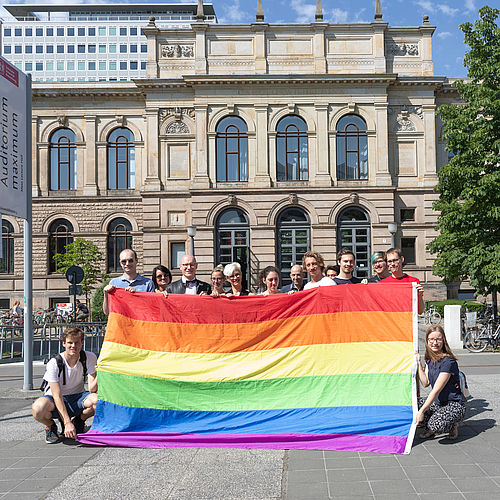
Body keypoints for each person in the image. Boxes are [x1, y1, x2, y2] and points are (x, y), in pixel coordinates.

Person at [32, 327, 98, 444]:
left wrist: (102, 372)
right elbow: (57, 395)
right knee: (38, 408)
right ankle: (51, 426)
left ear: (82, 343)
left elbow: (92, 388)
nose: (73, 346)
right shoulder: (54, 362)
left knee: (98, 401)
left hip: (78, 396)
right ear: (63, 344)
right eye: (70, 343)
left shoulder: (89, 357)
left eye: (77, 342)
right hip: (54, 399)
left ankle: (79, 421)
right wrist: (67, 422)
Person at [416, 325, 466, 440]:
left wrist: (422, 412)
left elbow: (435, 391)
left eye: (438, 339)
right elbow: (425, 383)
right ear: (427, 341)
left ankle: (451, 425)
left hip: (454, 405)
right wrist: (418, 363)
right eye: (431, 339)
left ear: (443, 340)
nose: (435, 342)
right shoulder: (429, 359)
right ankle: (431, 425)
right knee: (412, 405)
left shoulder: (448, 362)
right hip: (439, 404)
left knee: (436, 424)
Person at [103, 249, 155, 315]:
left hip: (140, 324)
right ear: (120, 263)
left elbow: (152, 308)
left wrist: (135, 296)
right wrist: (106, 294)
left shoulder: (148, 283)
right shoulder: (114, 283)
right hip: (121, 324)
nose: (127, 264)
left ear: (136, 261)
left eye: (130, 261)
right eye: (124, 261)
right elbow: (107, 312)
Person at [380, 247, 424, 314]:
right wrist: (364, 285)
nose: (392, 264)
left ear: (402, 259)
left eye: (395, 260)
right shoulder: (382, 284)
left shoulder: (413, 282)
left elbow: (420, 311)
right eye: (389, 261)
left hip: (407, 322)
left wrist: (419, 295)